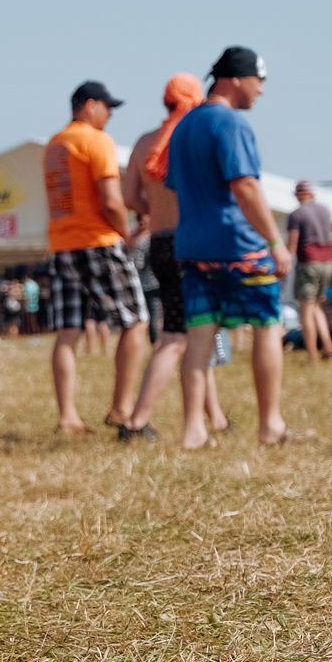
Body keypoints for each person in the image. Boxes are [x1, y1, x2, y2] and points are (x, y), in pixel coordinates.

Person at [165, 46, 308, 449]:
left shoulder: (185, 126)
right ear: (235, 79)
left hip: (193, 247)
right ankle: (271, 426)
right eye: (258, 80)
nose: (261, 90)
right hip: (239, 248)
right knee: (267, 326)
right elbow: (244, 185)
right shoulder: (230, 124)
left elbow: (175, 188)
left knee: (199, 336)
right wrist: (276, 243)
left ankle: (194, 430)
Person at [119, 74, 227, 441]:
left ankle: (216, 417)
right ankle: (136, 422)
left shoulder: (145, 142)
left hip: (161, 243)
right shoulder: (195, 136)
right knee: (175, 337)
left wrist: (156, 209)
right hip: (191, 243)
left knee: (199, 330)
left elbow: (129, 196)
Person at [42, 80, 146, 433]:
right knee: (136, 322)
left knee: (67, 332)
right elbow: (112, 201)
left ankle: (67, 417)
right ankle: (121, 409)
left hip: (61, 244)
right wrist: (128, 233)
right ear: (89, 105)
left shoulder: (54, 144)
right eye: (107, 106)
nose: (110, 114)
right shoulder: (96, 140)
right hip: (98, 242)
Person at [286, 180, 332, 363]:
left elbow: (292, 243)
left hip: (309, 261)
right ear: (312, 194)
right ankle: (327, 344)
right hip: (328, 261)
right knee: (316, 305)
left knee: (305, 310)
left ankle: (312, 355)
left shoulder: (296, 214)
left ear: (297, 195)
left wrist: (284, 264)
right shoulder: (325, 210)